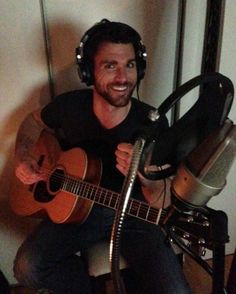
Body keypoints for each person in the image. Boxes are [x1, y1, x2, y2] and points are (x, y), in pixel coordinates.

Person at [13, 19, 191, 294]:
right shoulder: (70, 105)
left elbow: (160, 198)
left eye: (130, 65)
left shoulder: (152, 122)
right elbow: (32, 122)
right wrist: (24, 156)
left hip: (134, 215)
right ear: (88, 71)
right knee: (27, 266)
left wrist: (145, 176)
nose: (123, 78)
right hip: (77, 211)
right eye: (111, 66)